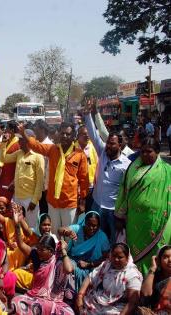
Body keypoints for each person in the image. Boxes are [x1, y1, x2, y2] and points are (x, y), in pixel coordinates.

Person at [115, 136, 171, 275]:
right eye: (143, 151)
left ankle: (154, 279)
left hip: (157, 222)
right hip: (135, 222)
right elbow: (123, 191)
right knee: (135, 252)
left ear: (157, 152)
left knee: (157, 253)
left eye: (149, 151)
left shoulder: (167, 170)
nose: (145, 154)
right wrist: (119, 216)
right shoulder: (133, 168)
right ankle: (135, 279)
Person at [23, 122, 89, 234]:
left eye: (68, 134)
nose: (64, 136)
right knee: (54, 233)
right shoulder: (52, 149)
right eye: (62, 133)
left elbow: (84, 180)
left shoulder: (80, 154)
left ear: (73, 136)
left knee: (69, 234)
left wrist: (82, 202)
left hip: (69, 202)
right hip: (53, 201)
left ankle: (67, 252)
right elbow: (36, 146)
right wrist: (23, 133)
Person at [83, 104, 131, 243]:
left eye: (112, 144)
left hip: (113, 210)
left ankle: (110, 262)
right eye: (108, 143)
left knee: (112, 239)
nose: (109, 146)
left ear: (120, 145)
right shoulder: (103, 152)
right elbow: (93, 135)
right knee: (95, 236)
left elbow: (127, 192)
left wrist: (122, 215)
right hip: (97, 204)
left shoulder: (126, 165)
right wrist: (88, 116)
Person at [11, 236, 74, 315]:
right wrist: (17, 226)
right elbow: (21, 244)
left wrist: (64, 250)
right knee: (16, 301)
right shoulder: (38, 259)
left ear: (50, 251)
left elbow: (69, 269)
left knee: (69, 313)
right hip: (35, 299)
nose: (38, 251)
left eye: (42, 250)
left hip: (53, 302)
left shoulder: (59, 262)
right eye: (38, 248)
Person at [77, 243, 142, 315]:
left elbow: (133, 302)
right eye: (114, 256)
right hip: (97, 302)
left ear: (127, 258)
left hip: (116, 309)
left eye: (120, 257)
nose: (116, 259)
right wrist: (80, 295)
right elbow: (90, 277)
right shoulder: (107, 265)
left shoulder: (132, 275)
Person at [58, 211, 110, 298]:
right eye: (88, 224)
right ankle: (64, 294)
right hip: (74, 261)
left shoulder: (102, 237)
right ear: (84, 222)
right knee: (62, 265)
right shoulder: (78, 229)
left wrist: (89, 264)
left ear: (99, 226)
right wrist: (67, 232)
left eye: (94, 226)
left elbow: (106, 257)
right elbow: (60, 230)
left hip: (92, 266)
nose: (91, 228)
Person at [0, 132, 44, 230]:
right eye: (19, 139)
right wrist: (3, 143)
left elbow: (40, 181)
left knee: (32, 228)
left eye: (21, 139)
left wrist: (34, 200)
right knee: (17, 225)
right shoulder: (19, 153)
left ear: (29, 140)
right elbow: (3, 159)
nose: (19, 142)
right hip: (17, 197)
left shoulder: (38, 156)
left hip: (30, 198)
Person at [139, 245, 171, 315]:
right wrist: (153, 268)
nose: (170, 260)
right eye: (165, 257)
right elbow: (145, 294)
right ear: (159, 260)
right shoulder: (154, 275)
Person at [0, 121, 20, 201]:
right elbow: (2, 158)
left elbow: (19, 165)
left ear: (12, 130)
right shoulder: (7, 141)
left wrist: (14, 181)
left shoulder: (18, 144)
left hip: (11, 179)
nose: (5, 131)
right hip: (4, 178)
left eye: (7, 129)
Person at [33, 119, 53, 214]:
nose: (34, 131)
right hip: (37, 186)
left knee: (45, 213)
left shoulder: (50, 146)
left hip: (46, 188)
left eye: (35, 128)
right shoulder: (36, 145)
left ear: (41, 130)